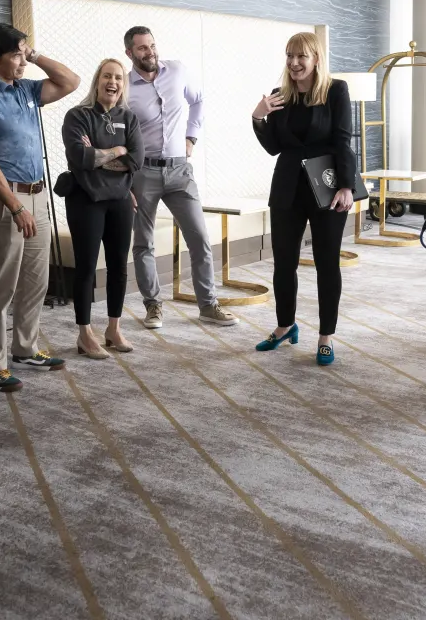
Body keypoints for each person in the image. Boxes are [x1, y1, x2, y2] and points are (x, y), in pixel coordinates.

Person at [0, 23, 79, 391]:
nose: (22, 60)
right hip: (5, 200)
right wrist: (15, 207)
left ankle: (25, 348)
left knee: (35, 280)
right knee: (2, 285)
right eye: (15, 54)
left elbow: (70, 81)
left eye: (23, 52)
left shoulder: (25, 89)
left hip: (38, 194)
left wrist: (34, 53)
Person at [251, 32, 354, 366]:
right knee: (284, 262)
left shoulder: (335, 90)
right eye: (289, 56)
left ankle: (326, 336)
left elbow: (342, 140)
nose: (294, 63)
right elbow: (273, 148)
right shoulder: (281, 96)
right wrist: (258, 117)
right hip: (287, 187)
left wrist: (347, 185)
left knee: (327, 263)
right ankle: (285, 326)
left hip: (326, 186)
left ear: (316, 59)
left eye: (301, 57)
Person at [124, 27, 237, 329]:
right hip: (143, 172)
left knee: (199, 238)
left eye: (151, 45)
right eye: (141, 48)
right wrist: (124, 180)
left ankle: (208, 305)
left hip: (179, 171)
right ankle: (152, 306)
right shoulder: (124, 87)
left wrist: (192, 137)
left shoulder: (176, 71)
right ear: (130, 53)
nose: (149, 52)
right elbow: (115, 132)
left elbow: (198, 100)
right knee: (143, 243)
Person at [61, 59, 143, 359]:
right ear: (97, 80)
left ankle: (113, 328)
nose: (113, 82)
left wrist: (101, 155)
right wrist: (117, 151)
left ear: (124, 83)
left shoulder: (129, 118)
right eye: (107, 76)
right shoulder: (77, 116)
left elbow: (137, 160)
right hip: (86, 200)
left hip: (121, 201)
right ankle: (84, 333)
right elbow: (79, 157)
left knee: (119, 266)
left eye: (119, 77)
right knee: (86, 267)